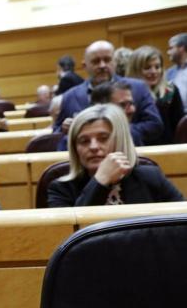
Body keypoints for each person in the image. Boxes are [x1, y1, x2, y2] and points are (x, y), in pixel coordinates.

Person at [47, 104, 183, 208]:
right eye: (84, 141)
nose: (93, 147)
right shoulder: (61, 189)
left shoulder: (151, 178)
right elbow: (68, 237)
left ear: (120, 140)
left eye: (103, 138)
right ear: (75, 148)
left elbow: (181, 222)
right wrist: (99, 181)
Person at [54, 40, 163, 148]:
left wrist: (113, 131)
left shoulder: (138, 88)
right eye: (96, 61)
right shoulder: (70, 96)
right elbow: (56, 133)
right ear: (85, 65)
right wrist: (64, 129)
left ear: (114, 62)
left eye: (107, 60)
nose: (102, 65)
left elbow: (154, 125)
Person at [128, 45, 185, 145]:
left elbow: (180, 127)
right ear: (135, 69)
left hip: (168, 149)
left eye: (157, 67)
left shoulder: (170, 90)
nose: (154, 72)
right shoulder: (126, 93)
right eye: (147, 68)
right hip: (138, 149)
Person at [166, 33, 187, 108]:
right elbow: (167, 98)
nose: (168, 53)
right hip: (177, 117)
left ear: (181, 48)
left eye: (171, 48)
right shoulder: (169, 73)